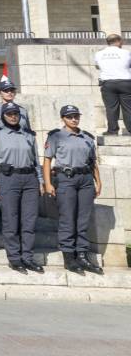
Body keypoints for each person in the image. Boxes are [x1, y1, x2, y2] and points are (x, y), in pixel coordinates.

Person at [43, 105, 104, 274]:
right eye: (70, 117)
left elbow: (93, 162)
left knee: (83, 219)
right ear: (63, 118)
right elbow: (47, 160)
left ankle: (83, 256)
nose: (74, 119)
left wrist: (98, 181)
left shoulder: (87, 138)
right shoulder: (56, 136)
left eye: (76, 116)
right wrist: (48, 184)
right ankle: (69, 257)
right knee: (68, 219)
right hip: (66, 179)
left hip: (85, 180)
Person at [0, 102, 43, 274]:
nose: (13, 116)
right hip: (8, 178)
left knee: (29, 220)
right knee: (11, 220)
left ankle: (27, 257)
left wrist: (40, 180)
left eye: (15, 113)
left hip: (29, 179)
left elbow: (36, 160)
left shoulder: (29, 135)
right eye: (9, 113)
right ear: (3, 116)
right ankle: (14, 258)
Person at [94, 33, 131, 135]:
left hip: (108, 83)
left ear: (108, 42)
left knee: (111, 108)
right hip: (126, 83)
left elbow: (97, 66)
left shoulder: (99, 54)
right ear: (119, 41)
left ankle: (112, 131)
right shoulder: (126, 53)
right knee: (128, 108)